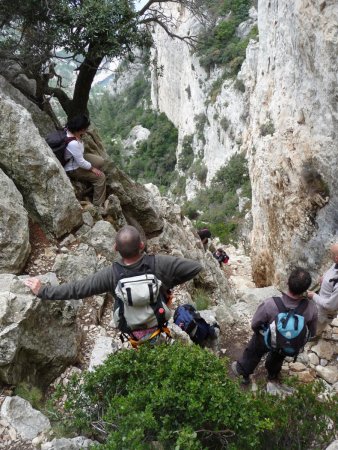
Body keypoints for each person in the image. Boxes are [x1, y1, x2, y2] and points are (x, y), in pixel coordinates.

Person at [24, 225, 202, 344]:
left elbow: (77, 290)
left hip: (131, 332)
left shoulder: (111, 275)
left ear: (115, 248)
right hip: (158, 326)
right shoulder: (159, 264)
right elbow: (195, 267)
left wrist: (43, 291)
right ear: (141, 245)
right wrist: (166, 284)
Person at [231, 267, 317, 384]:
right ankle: (273, 374)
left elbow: (255, 324)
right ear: (306, 290)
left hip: (266, 339)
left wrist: (260, 333)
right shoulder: (311, 308)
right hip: (285, 343)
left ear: (287, 283)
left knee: (255, 348)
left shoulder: (270, 304)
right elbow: (312, 332)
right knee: (278, 356)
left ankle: (243, 372)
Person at [64, 115, 106, 207]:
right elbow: (81, 163)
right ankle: (98, 205)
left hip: (77, 158)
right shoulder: (73, 143)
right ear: (81, 129)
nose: (87, 130)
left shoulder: (68, 130)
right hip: (73, 168)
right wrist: (92, 169)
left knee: (100, 161)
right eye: (85, 128)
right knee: (101, 177)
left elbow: (80, 157)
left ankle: (91, 181)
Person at [307, 243, 338, 335]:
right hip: (320, 303)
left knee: (316, 327)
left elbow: (330, 305)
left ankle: (313, 337)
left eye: (331, 254)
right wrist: (324, 278)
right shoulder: (336, 264)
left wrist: (313, 296)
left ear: (337, 258)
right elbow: (332, 271)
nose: (330, 256)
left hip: (324, 312)